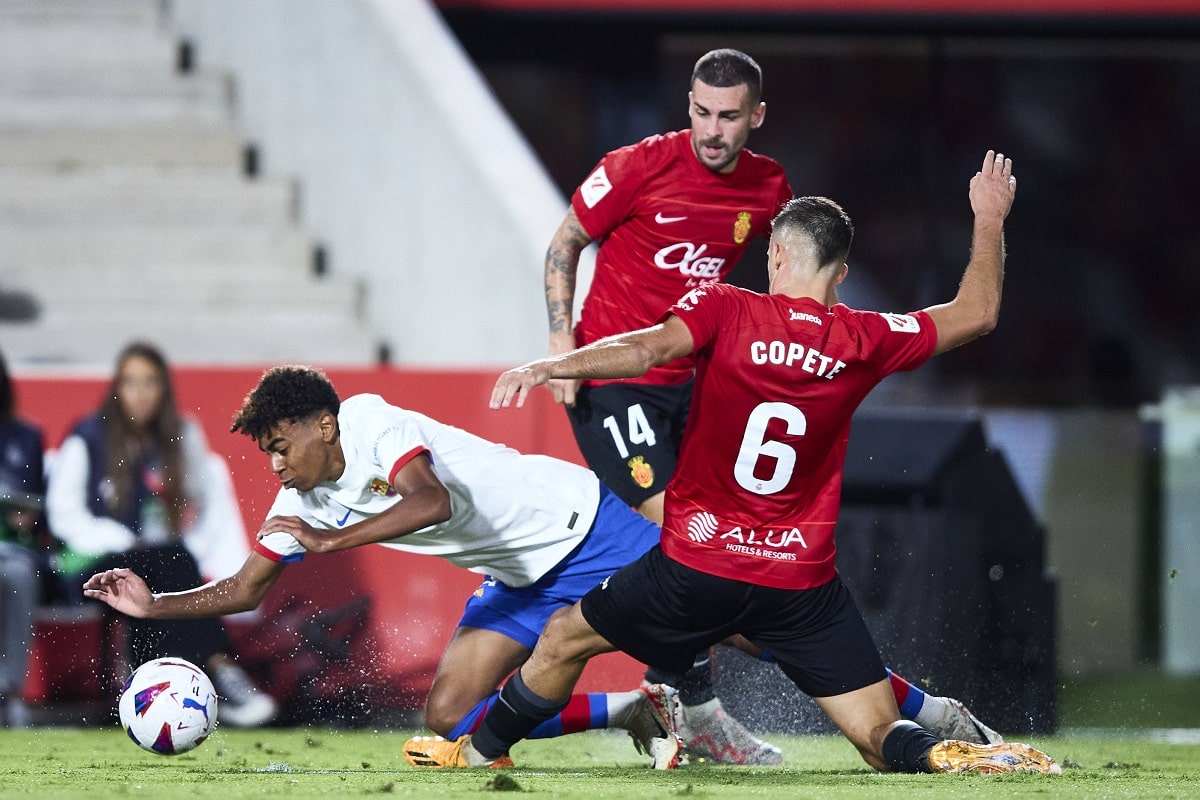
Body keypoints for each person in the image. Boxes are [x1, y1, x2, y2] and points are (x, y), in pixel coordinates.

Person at [413, 151, 1060, 775]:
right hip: (799, 584)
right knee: (873, 733)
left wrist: (554, 361)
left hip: (698, 565)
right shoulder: (867, 338)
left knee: (561, 637)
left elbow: (644, 351)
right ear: (841, 271)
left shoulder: (726, 307)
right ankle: (942, 752)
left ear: (775, 254)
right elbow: (977, 314)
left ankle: (476, 753)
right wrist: (989, 219)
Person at [81, 366, 1001, 769]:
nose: (275, 468)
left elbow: (431, 500)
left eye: (282, 447)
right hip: (519, 576)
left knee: (753, 629)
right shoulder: (299, 501)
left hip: (582, 526)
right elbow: (244, 589)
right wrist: (152, 603)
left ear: (321, 426)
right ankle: (637, 709)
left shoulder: (365, 422)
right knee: (444, 718)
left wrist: (332, 543)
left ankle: (925, 709)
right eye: (268, 457)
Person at [544, 46, 793, 765]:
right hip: (614, 386)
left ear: (757, 117)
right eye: (701, 113)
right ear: (688, 108)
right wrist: (562, 340)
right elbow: (565, 245)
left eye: (729, 117)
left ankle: (667, 696)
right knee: (690, 535)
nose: (713, 131)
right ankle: (700, 702)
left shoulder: (768, 187)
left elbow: (782, 279)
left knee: (708, 542)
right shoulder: (635, 167)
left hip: (696, 391)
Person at [45, 341, 276, 728]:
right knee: (167, 561)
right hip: (94, 562)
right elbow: (64, 515)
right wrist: (121, 540)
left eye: (150, 382)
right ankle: (219, 672)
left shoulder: (180, 434)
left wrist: (192, 546)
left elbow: (210, 501)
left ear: (164, 389)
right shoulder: (89, 435)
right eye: (130, 382)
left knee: (170, 559)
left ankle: (168, 695)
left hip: (161, 560)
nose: (140, 393)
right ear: (116, 387)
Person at [0, 348, 48, 727]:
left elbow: (40, 504)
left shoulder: (27, 436)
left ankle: (11, 690)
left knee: (16, 574)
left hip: (13, 548)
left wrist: (28, 515)